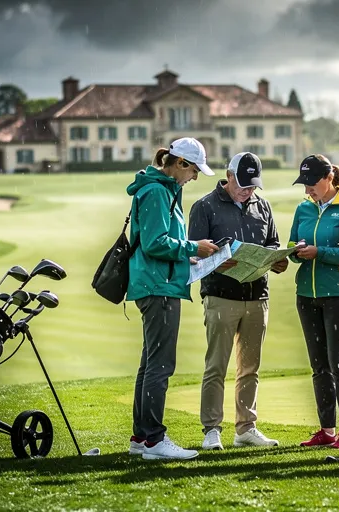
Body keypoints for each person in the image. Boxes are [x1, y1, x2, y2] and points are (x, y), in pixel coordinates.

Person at [125, 137, 219, 461]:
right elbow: (154, 243)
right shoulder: (156, 191)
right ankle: (154, 440)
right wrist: (194, 247)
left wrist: (187, 257)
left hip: (158, 282)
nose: (194, 177)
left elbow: (163, 243)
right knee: (160, 365)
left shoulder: (164, 189)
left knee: (150, 363)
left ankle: (141, 438)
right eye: (193, 170)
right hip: (158, 287)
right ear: (180, 163)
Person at [188, 152, 287, 450]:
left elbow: (272, 243)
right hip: (220, 295)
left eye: (253, 185)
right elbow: (194, 254)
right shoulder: (204, 206)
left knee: (250, 368)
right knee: (216, 366)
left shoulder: (262, 206)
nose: (248, 191)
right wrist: (218, 261)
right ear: (229, 176)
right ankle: (211, 429)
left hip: (258, 296)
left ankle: (246, 428)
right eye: (243, 185)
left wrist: (277, 260)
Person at [289, 154, 339, 450]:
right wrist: (294, 251)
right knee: (319, 365)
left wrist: (319, 252)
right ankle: (326, 429)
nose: (307, 189)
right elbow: (293, 242)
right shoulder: (303, 209)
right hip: (307, 295)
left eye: (312, 183)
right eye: (304, 183)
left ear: (329, 178)